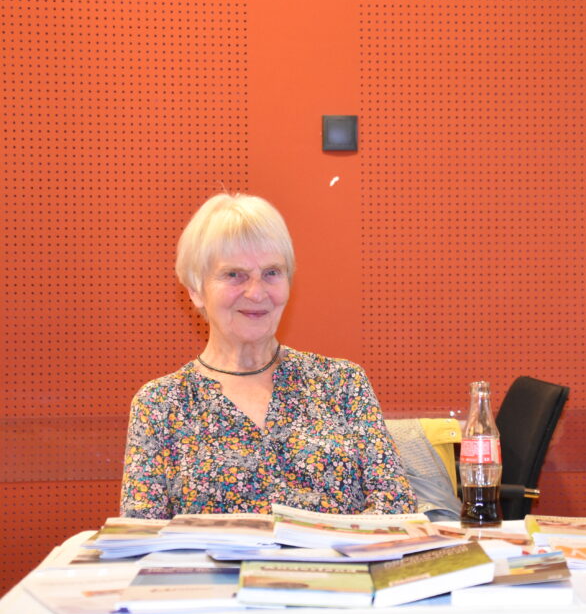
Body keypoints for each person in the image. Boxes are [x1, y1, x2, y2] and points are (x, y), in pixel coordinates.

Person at [120, 193, 416, 518]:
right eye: (234, 275)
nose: (257, 292)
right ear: (195, 290)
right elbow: (141, 533)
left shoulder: (342, 383)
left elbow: (397, 506)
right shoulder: (160, 404)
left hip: (338, 554)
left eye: (272, 272)